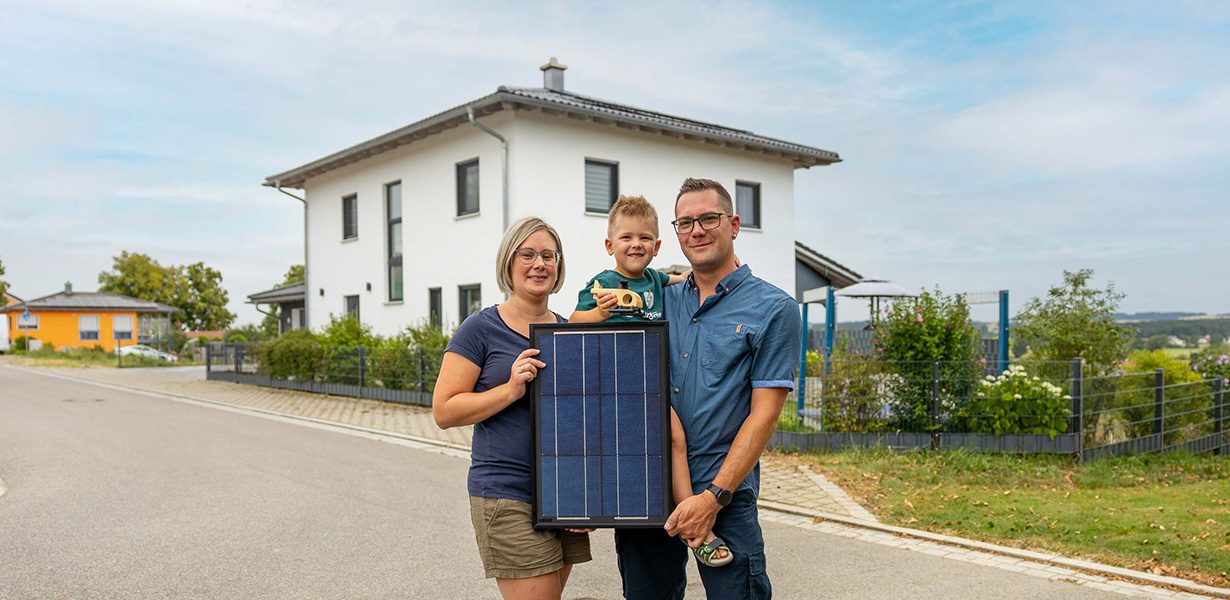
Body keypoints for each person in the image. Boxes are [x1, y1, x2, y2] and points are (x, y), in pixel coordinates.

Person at [613, 178, 802, 600]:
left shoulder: (775, 310)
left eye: (709, 218)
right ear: (675, 234)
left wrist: (714, 497)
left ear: (734, 225)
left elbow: (764, 415)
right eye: (685, 222)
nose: (696, 230)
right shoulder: (660, 296)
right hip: (648, 487)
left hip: (724, 496)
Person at [433, 217, 592, 600]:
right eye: (528, 254)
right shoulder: (480, 329)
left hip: (562, 497)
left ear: (559, 267)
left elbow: (584, 421)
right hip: (507, 494)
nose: (539, 264)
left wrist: (589, 496)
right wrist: (510, 389)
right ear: (509, 263)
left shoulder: (570, 331)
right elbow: (444, 411)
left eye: (548, 256)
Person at [568, 195, 730, 567]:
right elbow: (573, 324)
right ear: (610, 245)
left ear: (656, 247)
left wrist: (723, 270)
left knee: (675, 439)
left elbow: (687, 278)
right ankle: (584, 509)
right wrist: (600, 313)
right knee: (602, 448)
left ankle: (695, 525)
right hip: (609, 389)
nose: (635, 244)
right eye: (625, 238)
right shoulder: (601, 283)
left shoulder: (656, 280)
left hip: (651, 387)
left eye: (644, 238)